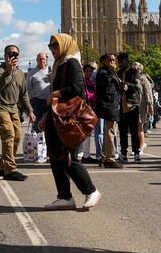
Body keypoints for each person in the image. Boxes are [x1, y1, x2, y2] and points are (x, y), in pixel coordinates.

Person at [42, 33, 100, 211]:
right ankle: (64, 197)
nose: (52, 49)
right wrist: (46, 117)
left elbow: (77, 88)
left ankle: (91, 191)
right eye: (50, 45)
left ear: (65, 45)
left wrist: (56, 94)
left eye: (55, 45)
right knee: (56, 158)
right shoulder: (59, 65)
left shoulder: (72, 63)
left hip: (69, 119)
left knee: (68, 158)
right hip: (56, 117)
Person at [0, 45, 32, 181]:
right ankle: (10, 170)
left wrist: (29, 111)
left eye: (16, 54)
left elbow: (24, 94)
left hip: (13, 109)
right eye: (11, 53)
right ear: (5, 55)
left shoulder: (20, 73)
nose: (14, 56)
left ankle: (2, 167)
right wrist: (8, 71)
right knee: (9, 135)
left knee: (18, 136)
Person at [93, 54, 122, 168]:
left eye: (114, 60)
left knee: (109, 131)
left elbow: (115, 86)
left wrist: (124, 86)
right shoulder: (103, 73)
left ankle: (104, 157)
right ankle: (109, 159)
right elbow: (105, 85)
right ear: (104, 61)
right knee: (110, 131)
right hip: (108, 105)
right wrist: (112, 70)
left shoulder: (112, 73)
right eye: (109, 60)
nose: (112, 62)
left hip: (113, 104)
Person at [26, 52, 52, 132]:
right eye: (40, 59)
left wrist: (52, 78)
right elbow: (28, 88)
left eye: (43, 59)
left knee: (50, 125)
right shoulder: (31, 73)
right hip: (37, 102)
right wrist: (31, 101)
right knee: (37, 124)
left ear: (46, 59)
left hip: (49, 101)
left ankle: (47, 143)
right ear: (37, 60)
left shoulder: (51, 71)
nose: (42, 60)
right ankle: (35, 142)